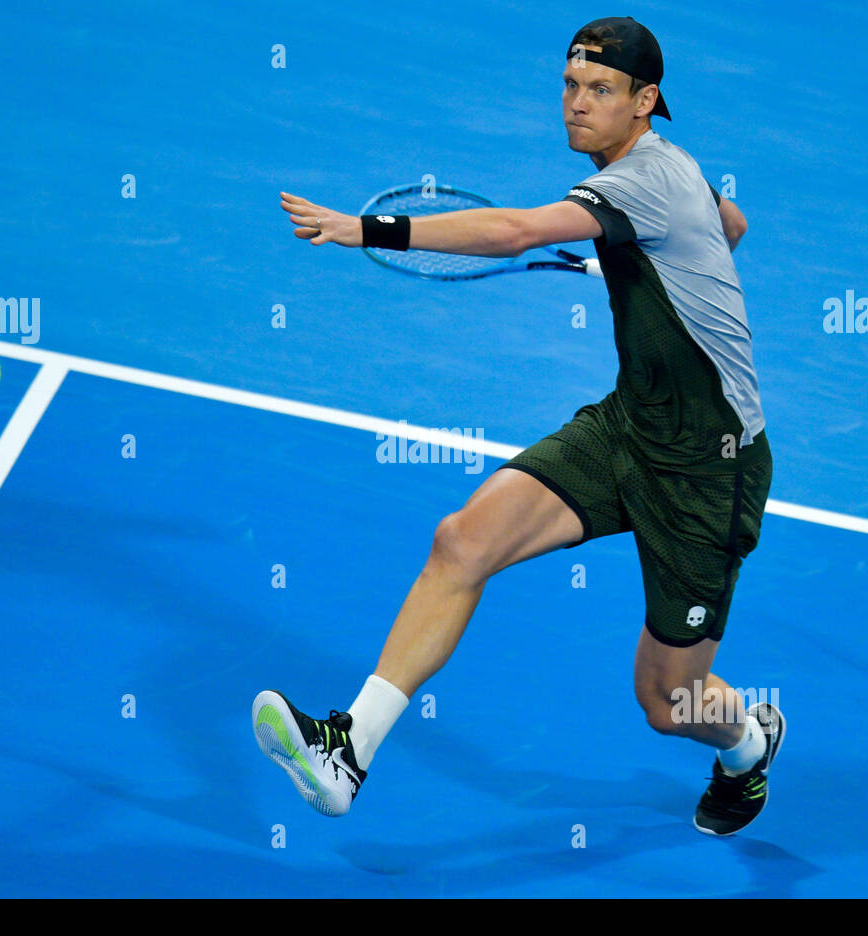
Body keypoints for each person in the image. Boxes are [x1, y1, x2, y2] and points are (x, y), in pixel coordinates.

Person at [254, 16, 783, 836]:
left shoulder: (645, 180)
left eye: (600, 91)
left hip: (709, 473)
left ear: (645, 102)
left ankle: (750, 742)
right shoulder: (666, 172)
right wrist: (661, 266)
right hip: (630, 428)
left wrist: (364, 226)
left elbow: (513, 232)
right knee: (463, 540)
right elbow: (733, 223)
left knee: (668, 700)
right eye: (571, 86)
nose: (577, 104)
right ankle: (347, 749)